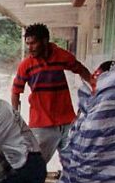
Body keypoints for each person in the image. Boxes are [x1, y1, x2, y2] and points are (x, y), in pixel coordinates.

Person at [11, 24, 93, 163]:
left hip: (67, 122)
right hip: (41, 125)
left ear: (44, 41)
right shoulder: (26, 65)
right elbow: (15, 92)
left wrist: (95, 86)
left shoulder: (61, 55)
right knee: (36, 165)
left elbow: (80, 69)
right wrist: (15, 118)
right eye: (28, 44)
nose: (30, 48)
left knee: (73, 163)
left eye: (33, 43)